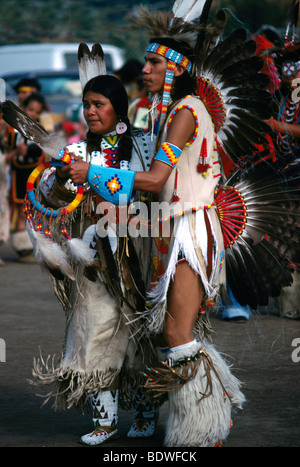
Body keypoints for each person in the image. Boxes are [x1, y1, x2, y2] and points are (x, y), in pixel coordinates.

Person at [26, 73, 157, 445]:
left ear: (118, 108)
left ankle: (147, 412)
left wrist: (99, 179)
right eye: (86, 104)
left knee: (141, 335)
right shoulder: (77, 151)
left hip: (139, 254)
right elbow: (51, 198)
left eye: (98, 104)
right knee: (93, 332)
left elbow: (154, 185)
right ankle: (105, 422)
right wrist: (63, 182)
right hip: (94, 259)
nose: (90, 111)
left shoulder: (145, 145)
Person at [4, 92, 46, 262]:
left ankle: (33, 244)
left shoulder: (39, 130)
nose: (33, 114)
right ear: (23, 109)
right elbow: (8, 149)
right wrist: (16, 150)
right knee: (22, 209)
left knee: (34, 208)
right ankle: (22, 247)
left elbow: (41, 149)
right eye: (30, 109)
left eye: (37, 111)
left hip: (34, 173)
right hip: (18, 173)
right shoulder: (12, 130)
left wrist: (28, 150)